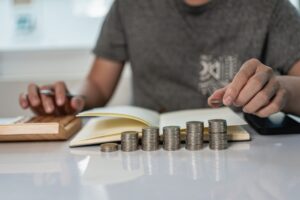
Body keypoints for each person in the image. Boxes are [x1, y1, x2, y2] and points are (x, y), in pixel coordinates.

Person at [19, 0, 300, 117]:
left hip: (245, 161)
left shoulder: (271, 6)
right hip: (145, 156)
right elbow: (98, 85)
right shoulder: (129, 5)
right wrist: (67, 101)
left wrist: (282, 89)